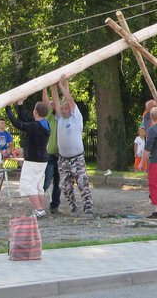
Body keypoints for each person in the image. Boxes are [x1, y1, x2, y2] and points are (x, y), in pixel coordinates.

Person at [49, 74, 93, 216]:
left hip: (77, 158)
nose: (63, 111)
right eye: (62, 109)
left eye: (65, 109)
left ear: (71, 109)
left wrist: (62, 86)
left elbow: (69, 99)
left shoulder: (76, 117)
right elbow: (56, 101)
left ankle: (88, 208)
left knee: (82, 183)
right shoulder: (60, 118)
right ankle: (73, 207)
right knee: (65, 186)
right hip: (63, 159)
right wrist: (53, 86)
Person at [5, 98, 51, 218]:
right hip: (42, 160)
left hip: (33, 161)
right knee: (38, 186)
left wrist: (8, 108)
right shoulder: (44, 123)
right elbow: (24, 118)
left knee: (27, 185)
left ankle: (39, 210)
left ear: (35, 112)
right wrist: (20, 104)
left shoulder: (35, 126)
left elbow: (17, 123)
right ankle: (42, 210)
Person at [40, 88, 61, 214]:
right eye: (51, 104)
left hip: (61, 155)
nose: (52, 105)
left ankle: (54, 206)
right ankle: (40, 204)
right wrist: (44, 88)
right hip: (49, 155)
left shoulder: (61, 117)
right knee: (46, 181)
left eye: (54, 103)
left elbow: (63, 101)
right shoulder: (49, 118)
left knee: (58, 183)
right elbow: (45, 103)